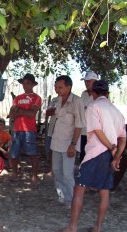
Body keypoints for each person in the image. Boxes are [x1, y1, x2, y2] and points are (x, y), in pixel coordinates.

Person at [56, 80, 126, 232]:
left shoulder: (94, 107)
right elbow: (122, 139)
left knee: (79, 188)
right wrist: (116, 155)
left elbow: (98, 131)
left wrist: (110, 147)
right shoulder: (117, 112)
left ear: (93, 93)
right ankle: (98, 229)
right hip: (109, 155)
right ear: (108, 93)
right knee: (104, 191)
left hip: (95, 153)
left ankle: (72, 228)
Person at [50, 75, 85, 208]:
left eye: (60, 87)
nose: (57, 89)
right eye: (56, 86)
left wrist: (73, 144)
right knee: (56, 170)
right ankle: (62, 196)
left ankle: (71, 201)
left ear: (68, 87)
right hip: (56, 142)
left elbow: (79, 125)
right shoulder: (57, 100)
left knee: (67, 174)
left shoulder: (77, 101)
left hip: (69, 144)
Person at [8, 73, 41, 186]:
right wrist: (22, 111)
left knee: (32, 153)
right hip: (17, 129)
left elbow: (32, 114)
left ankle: (35, 176)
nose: (25, 85)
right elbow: (11, 114)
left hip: (29, 130)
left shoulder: (36, 98)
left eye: (28, 83)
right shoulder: (17, 98)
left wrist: (19, 111)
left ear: (32, 84)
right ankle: (15, 173)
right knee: (14, 153)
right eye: (23, 83)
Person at [79, 71, 99, 162]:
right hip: (83, 131)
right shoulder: (83, 94)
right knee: (83, 156)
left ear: (95, 81)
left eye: (89, 81)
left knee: (93, 157)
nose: (86, 83)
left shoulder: (100, 95)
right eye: (85, 81)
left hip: (96, 132)